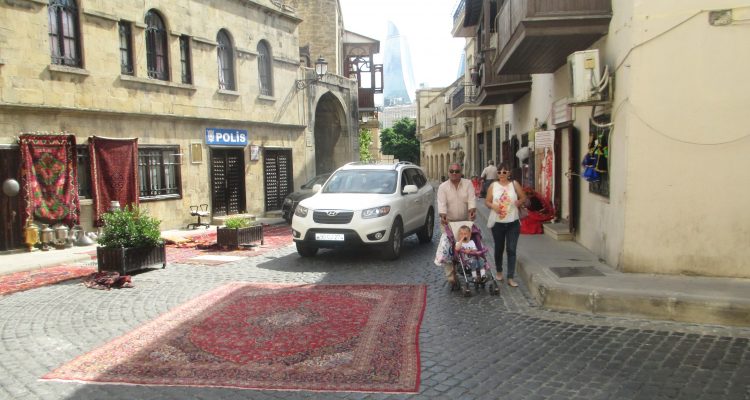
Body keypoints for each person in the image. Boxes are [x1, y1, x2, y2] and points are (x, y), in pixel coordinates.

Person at [485, 161, 526, 288]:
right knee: (499, 248)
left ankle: (510, 277)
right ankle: (499, 271)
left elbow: (523, 197)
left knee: (511, 249)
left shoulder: (514, 184)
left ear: (509, 173)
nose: (501, 174)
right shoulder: (493, 185)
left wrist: (519, 202)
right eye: (499, 172)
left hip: (513, 222)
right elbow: (487, 201)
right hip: (498, 223)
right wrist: (493, 206)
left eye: (504, 172)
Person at [435, 163, 476, 285]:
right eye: (451, 171)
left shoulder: (468, 184)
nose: (454, 173)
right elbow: (441, 204)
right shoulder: (443, 187)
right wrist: (443, 216)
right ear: (448, 172)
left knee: (466, 247)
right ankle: (451, 276)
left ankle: (468, 267)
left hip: (464, 222)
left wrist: (472, 211)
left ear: (461, 172)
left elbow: (471, 200)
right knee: (448, 249)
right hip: (448, 223)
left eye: (457, 171)